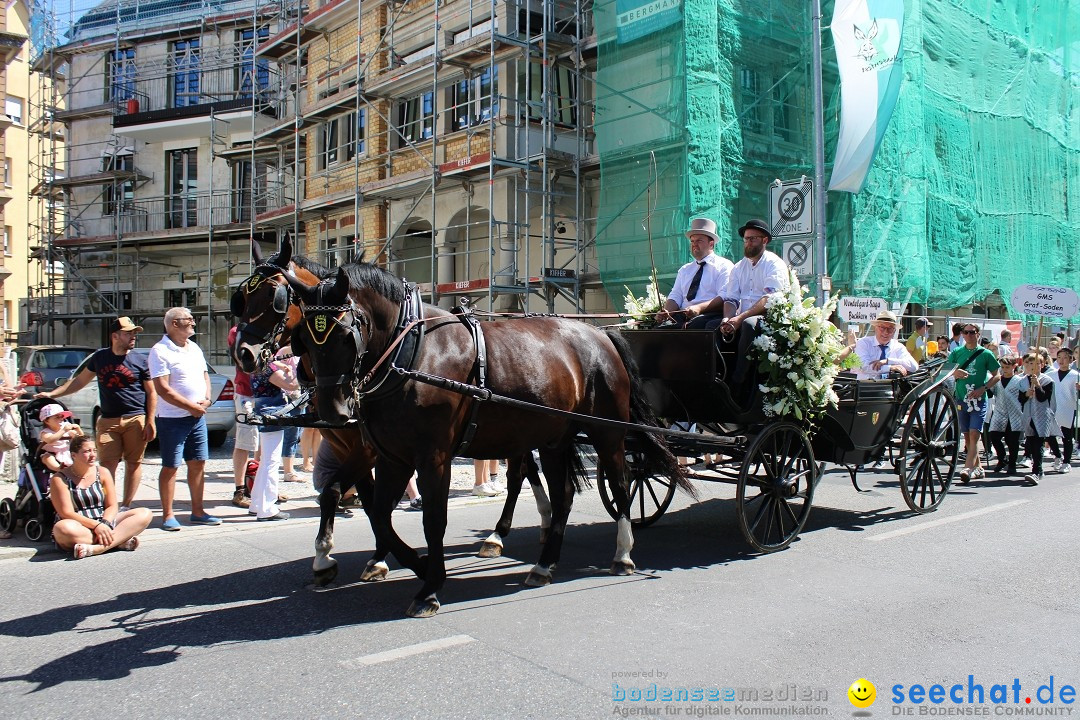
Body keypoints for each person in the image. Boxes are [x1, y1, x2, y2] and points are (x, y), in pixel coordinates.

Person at [38, 316, 157, 511]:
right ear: (115, 336)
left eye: (134, 333)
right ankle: (105, 504)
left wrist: (150, 420)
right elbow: (78, 382)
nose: (133, 337)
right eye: (128, 333)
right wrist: (52, 393)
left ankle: (126, 505)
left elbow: (151, 392)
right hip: (108, 420)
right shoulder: (100, 357)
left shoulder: (141, 360)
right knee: (106, 464)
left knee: (133, 463)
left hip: (135, 418)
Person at [149, 307, 220, 530]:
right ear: (173, 324)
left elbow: (205, 376)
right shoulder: (160, 351)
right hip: (172, 418)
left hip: (196, 416)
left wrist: (207, 399)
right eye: (188, 320)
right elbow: (163, 389)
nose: (193, 323)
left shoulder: (195, 348)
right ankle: (168, 514)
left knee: (198, 463)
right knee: (171, 466)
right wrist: (191, 407)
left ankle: (198, 511)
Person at [50, 436, 152, 559]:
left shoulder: (103, 472)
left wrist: (104, 524)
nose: (93, 455)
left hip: (105, 521)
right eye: (87, 451)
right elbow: (66, 513)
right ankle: (118, 541)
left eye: (95, 450)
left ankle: (97, 548)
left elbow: (112, 505)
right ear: (74, 455)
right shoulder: (59, 478)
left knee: (144, 513)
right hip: (80, 526)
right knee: (62, 529)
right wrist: (96, 526)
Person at [248, 346, 301, 521]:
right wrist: (300, 371)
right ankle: (267, 508)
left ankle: (256, 503)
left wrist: (283, 367)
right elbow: (291, 385)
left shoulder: (258, 366)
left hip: (265, 410)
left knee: (266, 461)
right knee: (271, 461)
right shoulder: (267, 368)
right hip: (272, 412)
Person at [654, 217, 734, 329]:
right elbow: (676, 295)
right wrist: (667, 311)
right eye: (692, 241)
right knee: (659, 330)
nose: (694, 244)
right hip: (683, 315)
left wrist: (699, 308)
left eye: (699, 241)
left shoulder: (724, 266)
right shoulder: (685, 270)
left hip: (710, 314)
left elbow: (724, 296)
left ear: (711, 244)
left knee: (694, 327)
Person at [948, 323, 1000, 483]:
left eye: (972, 332)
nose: (969, 335)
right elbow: (947, 371)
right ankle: (979, 468)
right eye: (966, 332)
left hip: (979, 400)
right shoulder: (957, 352)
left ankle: (967, 467)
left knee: (974, 434)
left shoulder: (986, 354)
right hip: (961, 399)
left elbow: (996, 375)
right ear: (962, 334)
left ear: (978, 334)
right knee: (968, 436)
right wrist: (955, 373)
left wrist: (983, 388)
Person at [1019, 352, 1058, 486]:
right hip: (1028, 415)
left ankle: (1038, 470)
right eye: (1030, 363)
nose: (1033, 366)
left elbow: (1043, 398)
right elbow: (1021, 399)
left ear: (1042, 365)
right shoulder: (1023, 381)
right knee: (1030, 442)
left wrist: (1038, 385)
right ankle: (1035, 468)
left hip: (1042, 415)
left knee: (1038, 443)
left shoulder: (1047, 380)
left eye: (1036, 364)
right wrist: (1026, 394)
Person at [227, 326, 255, 509]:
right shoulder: (237, 332)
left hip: (268, 394)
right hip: (247, 393)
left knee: (264, 446)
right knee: (244, 443)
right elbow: (243, 360)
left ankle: (261, 487)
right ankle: (240, 490)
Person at [851, 311, 918, 380]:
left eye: (890, 328)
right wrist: (890, 367)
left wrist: (888, 361)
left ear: (894, 331)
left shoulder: (898, 346)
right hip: (864, 387)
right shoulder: (863, 343)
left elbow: (914, 366)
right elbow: (864, 366)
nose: (886, 332)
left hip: (890, 388)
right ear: (875, 328)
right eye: (882, 327)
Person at [987, 357, 1024, 476]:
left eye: (1007, 367)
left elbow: (1024, 396)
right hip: (999, 412)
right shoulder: (997, 380)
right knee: (994, 436)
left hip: (1014, 414)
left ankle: (1012, 464)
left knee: (1012, 441)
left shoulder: (1019, 381)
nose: (1004, 370)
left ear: (1014, 366)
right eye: (1002, 367)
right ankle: (1002, 459)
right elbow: (990, 392)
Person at [1049, 347, 1079, 472]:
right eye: (1059, 357)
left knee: (1066, 437)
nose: (1061, 360)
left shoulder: (1076, 376)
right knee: (1049, 435)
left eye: (1065, 357)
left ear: (1070, 359)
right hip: (1052, 408)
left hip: (1068, 408)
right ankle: (1057, 455)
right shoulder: (1050, 375)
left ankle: (1066, 462)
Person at [37, 403, 82, 472]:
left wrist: (78, 430)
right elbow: (50, 440)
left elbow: (82, 440)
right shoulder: (45, 432)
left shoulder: (66, 425)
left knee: (80, 452)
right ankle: (59, 468)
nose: (61, 419)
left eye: (62, 417)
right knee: (47, 458)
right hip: (51, 453)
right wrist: (63, 430)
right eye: (57, 417)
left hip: (67, 451)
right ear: (47, 421)